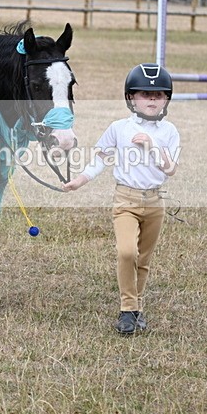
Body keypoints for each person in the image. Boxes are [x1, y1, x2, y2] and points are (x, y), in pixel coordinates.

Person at [63, 63, 180, 334]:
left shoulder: (169, 132)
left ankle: (135, 307)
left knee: (144, 260)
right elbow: (101, 159)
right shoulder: (119, 128)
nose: (152, 99)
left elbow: (170, 169)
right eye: (144, 94)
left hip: (154, 203)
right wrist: (80, 180)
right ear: (130, 98)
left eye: (158, 95)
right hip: (125, 200)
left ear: (166, 99)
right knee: (127, 252)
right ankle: (128, 310)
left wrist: (152, 146)